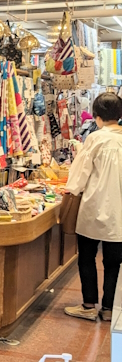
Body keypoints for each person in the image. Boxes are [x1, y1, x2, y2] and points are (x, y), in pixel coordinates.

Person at [63, 91, 122, 321]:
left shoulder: (96, 138)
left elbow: (79, 174)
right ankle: (109, 309)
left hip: (93, 208)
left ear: (97, 116)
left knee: (87, 257)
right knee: (113, 262)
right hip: (118, 214)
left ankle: (88, 305)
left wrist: (72, 189)